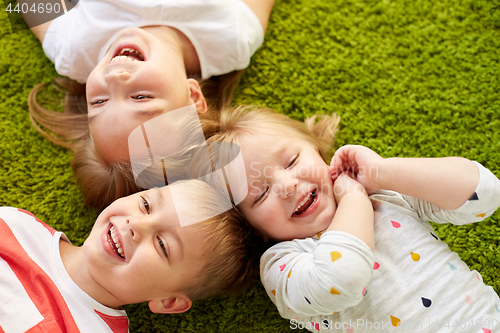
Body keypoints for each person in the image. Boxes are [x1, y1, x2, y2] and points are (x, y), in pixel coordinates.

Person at [204, 106, 500, 332]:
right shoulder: (283, 264)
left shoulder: (384, 196)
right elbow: (344, 278)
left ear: (317, 152)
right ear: (253, 229)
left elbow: (484, 195)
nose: (287, 185)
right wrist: (353, 198)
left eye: (292, 161)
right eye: (261, 193)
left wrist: (386, 172)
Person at [23, 0, 275, 209]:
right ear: (194, 97)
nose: (113, 77)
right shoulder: (233, 39)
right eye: (140, 98)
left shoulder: (75, 50)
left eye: (99, 101)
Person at [0, 180, 263, 332]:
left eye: (162, 244)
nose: (137, 225)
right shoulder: (16, 226)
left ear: (168, 301)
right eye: (146, 205)